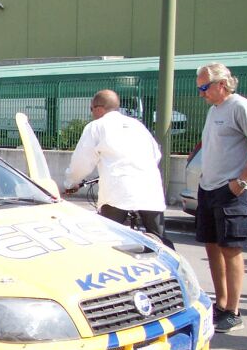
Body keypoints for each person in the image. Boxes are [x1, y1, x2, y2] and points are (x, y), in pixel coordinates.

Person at [195, 63, 247, 333]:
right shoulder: (214, 110)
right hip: (209, 187)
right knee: (212, 246)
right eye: (199, 88)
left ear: (222, 84)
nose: (201, 93)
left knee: (231, 249)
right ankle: (222, 303)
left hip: (230, 191)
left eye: (204, 88)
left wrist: (240, 182)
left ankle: (234, 310)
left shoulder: (240, 106)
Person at [63, 89, 169, 241]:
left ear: (99, 108)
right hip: (149, 188)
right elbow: (155, 155)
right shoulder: (137, 125)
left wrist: (70, 182)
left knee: (109, 238)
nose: (91, 113)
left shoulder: (96, 126)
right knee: (160, 239)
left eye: (91, 109)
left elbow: (81, 162)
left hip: (118, 190)